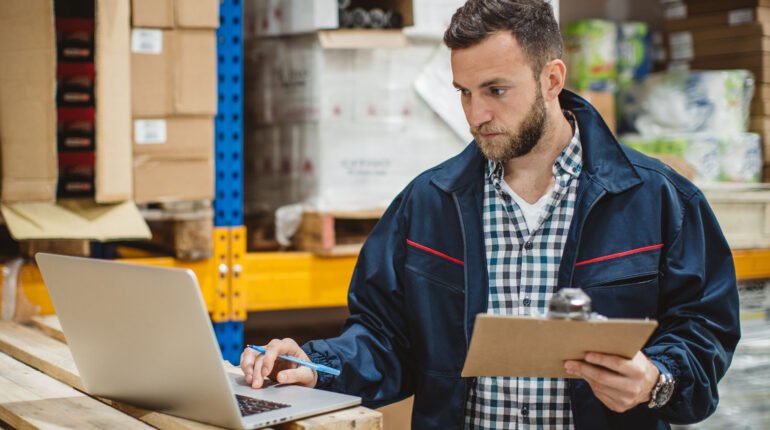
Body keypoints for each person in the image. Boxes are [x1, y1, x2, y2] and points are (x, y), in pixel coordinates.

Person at [240, 0, 741, 428]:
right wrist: (317, 366)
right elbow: (386, 340)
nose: (476, 114)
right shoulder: (429, 203)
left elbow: (705, 333)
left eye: (496, 90)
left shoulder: (657, 199)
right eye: (464, 92)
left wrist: (655, 379)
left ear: (552, 79)